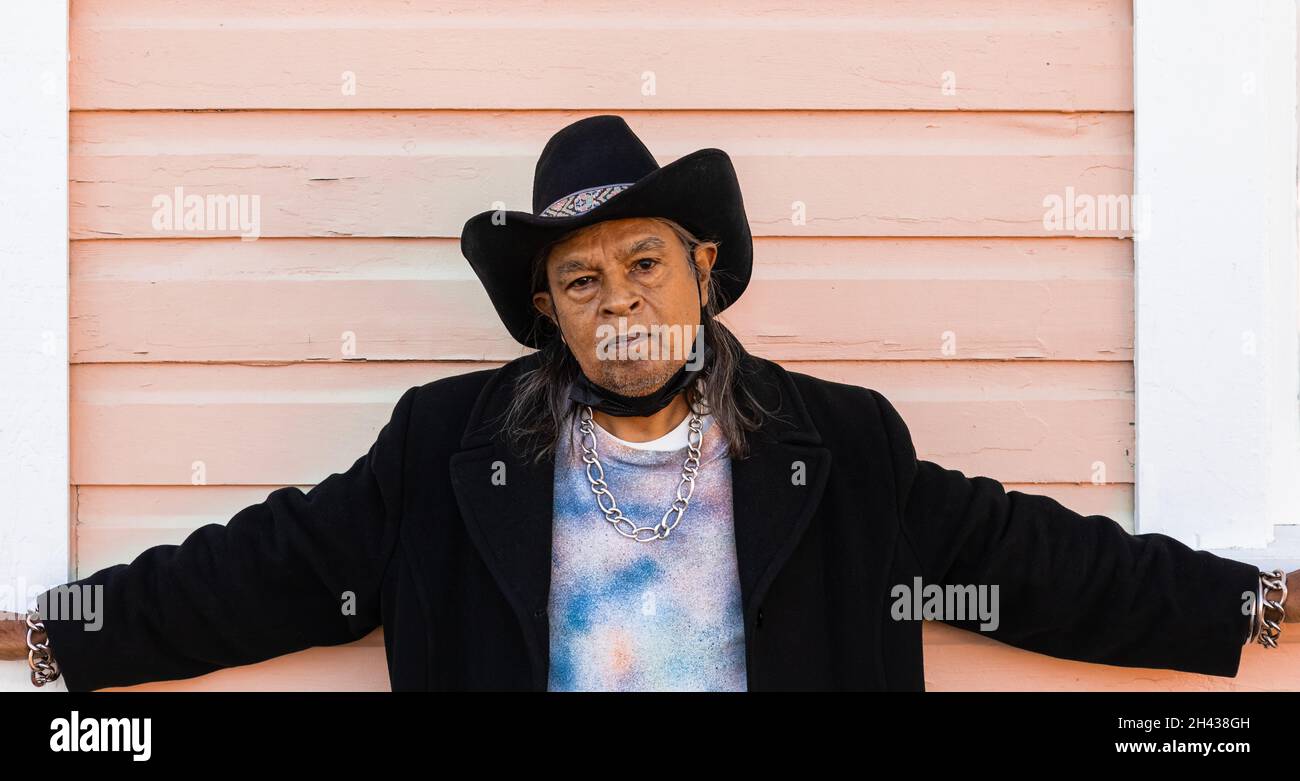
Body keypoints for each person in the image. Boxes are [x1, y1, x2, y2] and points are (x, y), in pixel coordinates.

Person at [2, 114, 1293, 691]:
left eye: (643, 261)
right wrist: (55, 635)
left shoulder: (835, 449)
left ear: (704, 271)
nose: (618, 300)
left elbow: (1033, 562)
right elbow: (257, 568)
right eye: (579, 278)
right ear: (547, 312)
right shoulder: (446, 454)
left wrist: (1251, 601)